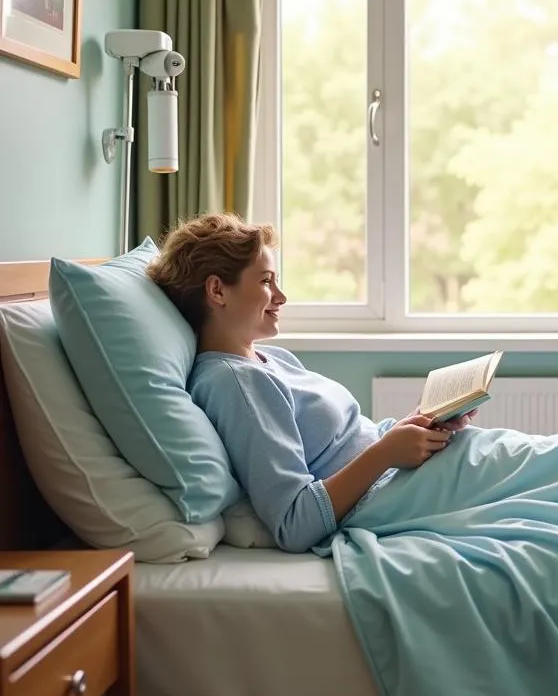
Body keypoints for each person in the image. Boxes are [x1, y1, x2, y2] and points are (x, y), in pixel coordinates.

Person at [148, 212, 477, 553]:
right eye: (265, 281)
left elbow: (348, 442)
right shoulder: (235, 384)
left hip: (407, 472)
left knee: (527, 462)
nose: (281, 296)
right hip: (397, 491)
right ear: (217, 290)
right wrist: (386, 453)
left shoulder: (270, 360)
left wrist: (416, 427)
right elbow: (294, 523)